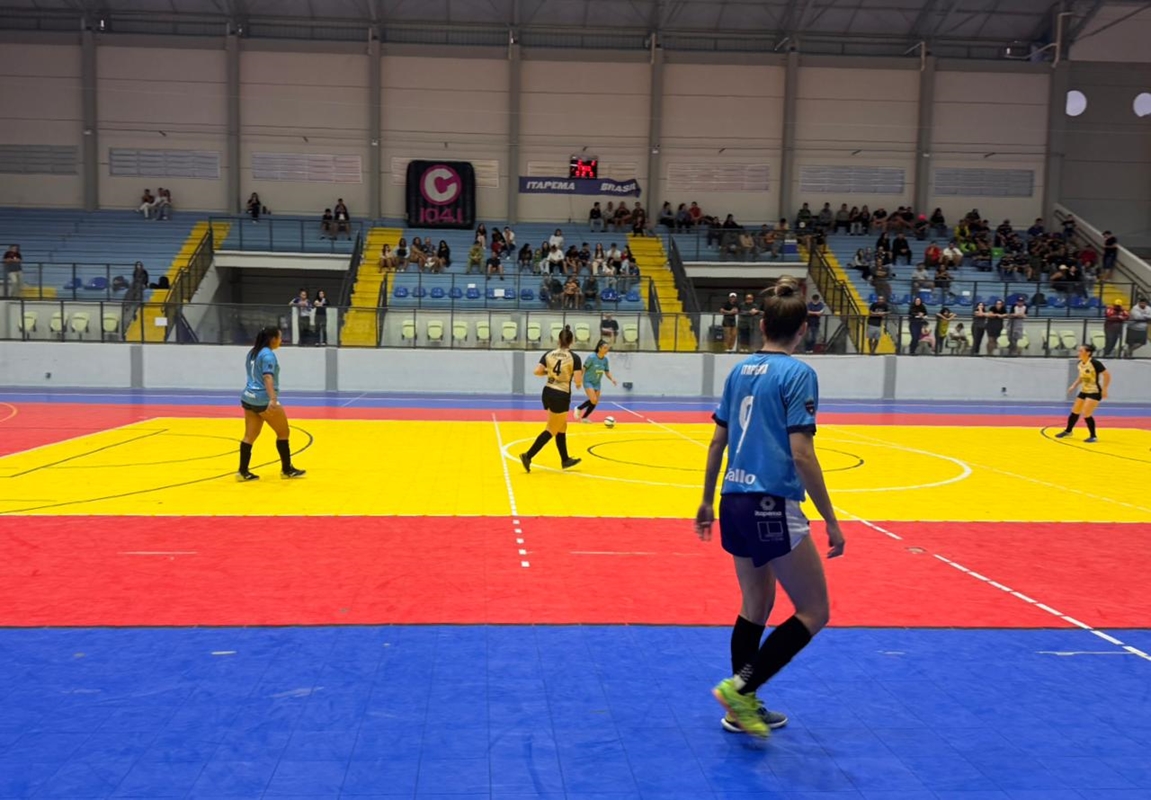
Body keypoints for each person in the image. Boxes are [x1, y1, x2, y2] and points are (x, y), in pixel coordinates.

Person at [696, 280, 845, 739]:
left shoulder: (738, 371)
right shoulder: (798, 373)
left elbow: (718, 440)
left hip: (733, 499)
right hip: (771, 502)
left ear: (760, 325)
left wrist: (705, 499)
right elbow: (802, 454)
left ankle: (741, 706)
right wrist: (832, 520)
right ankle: (741, 689)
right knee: (815, 610)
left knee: (756, 601)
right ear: (803, 331)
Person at [237, 326, 306, 481]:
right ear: (273, 339)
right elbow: (268, 377)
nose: (280, 341)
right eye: (280, 338)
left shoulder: (252, 353)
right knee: (283, 433)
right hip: (263, 399)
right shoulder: (268, 356)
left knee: (249, 436)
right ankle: (287, 470)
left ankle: (242, 472)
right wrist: (273, 400)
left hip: (248, 397)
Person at [519, 326, 583, 472]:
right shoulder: (574, 358)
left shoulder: (549, 354)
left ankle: (565, 459)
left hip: (548, 391)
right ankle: (528, 455)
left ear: (559, 340)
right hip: (561, 395)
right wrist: (576, 378)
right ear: (571, 341)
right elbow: (578, 381)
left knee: (562, 426)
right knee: (551, 429)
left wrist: (549, 372)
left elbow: (537, 371)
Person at [1056, 344, 1110, 443]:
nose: (1078, 353)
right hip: (1084, 391)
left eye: (1081, 351)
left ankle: (1093, 436)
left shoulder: (1095, 363)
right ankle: (1068, 431)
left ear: (1088, 353)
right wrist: (1074, 386)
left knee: (1086, 413)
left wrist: (1105, 389)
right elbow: (1081, 377)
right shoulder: (1080, 363)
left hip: (1094, 391)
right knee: (1075, 411)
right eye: (1079, 351)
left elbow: (1107, 375)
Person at [574, 340, 617, 422]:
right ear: (599, 348)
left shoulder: (605, 360)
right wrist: (578, 379)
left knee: (595, 402)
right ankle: (579, 408)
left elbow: (607, 371)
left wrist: (612, 379)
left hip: (597, 383)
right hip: (588, 381)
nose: (607, 349)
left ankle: (584, 418)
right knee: (593, 399)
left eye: (607, 348)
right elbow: (584, 368)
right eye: (605, 348)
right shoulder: (592, 357)